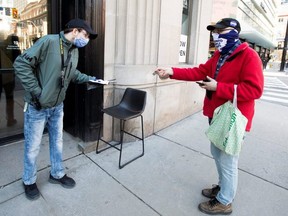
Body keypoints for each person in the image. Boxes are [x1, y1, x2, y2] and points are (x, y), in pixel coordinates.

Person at [154, 18, 264, 215]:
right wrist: (171, 71)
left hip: (233, 119)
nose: (217, 35)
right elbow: (199, 71)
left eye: (222, 31)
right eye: (215, 32)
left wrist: (218, 87)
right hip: (217, 115)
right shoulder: (219, 56)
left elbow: (255, 90)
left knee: (228, 160)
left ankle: (225, 201)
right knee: (217, 154)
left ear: (235, 32)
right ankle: (223, 188)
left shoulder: (249, 56)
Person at [13, 18, 98, 200]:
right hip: (37, 106)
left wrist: (89, 78)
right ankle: (28, 180)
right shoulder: (49, 42)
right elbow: (21, 64)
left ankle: (57, 173)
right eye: (86, 34)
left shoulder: (73, 50)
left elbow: (71, 73)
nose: (87, 39)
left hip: (57, 106)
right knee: (33, 147)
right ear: (75, 31)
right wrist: (37, 92)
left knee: (57, 142)